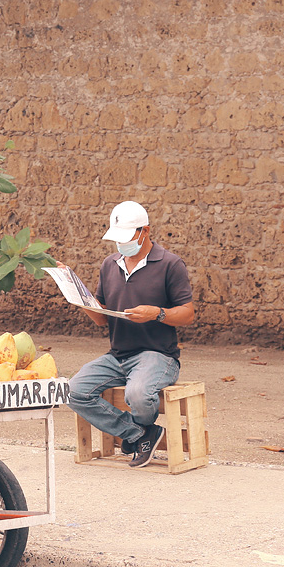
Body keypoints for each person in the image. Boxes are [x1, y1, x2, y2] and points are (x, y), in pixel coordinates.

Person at [66, 200, 195, 468]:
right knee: (73, 390)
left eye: (126, 238)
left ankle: (139, 436)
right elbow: (102, 319)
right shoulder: (109, 264)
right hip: (118, 355)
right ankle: (139, 434)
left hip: (158, 355)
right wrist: (79, 299)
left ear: (144, 231)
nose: (121, 245)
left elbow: (188, 314)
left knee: (137, 394)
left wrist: (156, 313)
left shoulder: (171, 264)